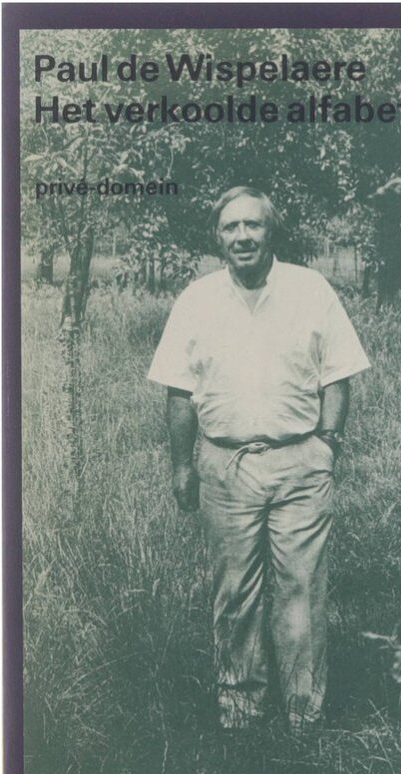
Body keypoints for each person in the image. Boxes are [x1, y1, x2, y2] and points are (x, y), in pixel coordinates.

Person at [148, 186, 370, 731]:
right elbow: (179, 392)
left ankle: (303, 713)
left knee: (302, 590)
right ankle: (241, 711)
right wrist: (182, 467)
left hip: (300, 464)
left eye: (253, 225)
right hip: (225, 468)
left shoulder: (310, 290)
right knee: (234, 593)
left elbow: (338, 375)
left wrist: (327, 443)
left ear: (272, 231)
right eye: (231, 227)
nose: (243, 236)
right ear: (217, 237)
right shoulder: (196, 300)